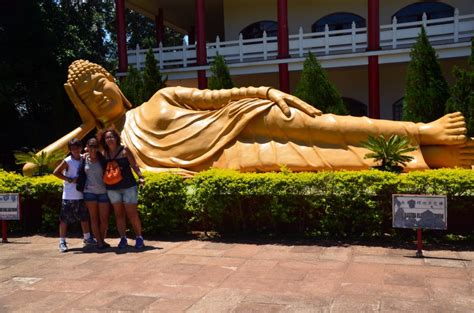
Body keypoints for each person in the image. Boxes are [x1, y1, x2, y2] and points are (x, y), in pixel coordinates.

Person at [23, 59, 474, 177]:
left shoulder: (160, 98)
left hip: (239, 118)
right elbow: (35, 167)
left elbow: (221, 94)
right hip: (224, 156)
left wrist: (268, 91)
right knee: (333, 158)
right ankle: (430, 158)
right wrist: (85, 123)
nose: (101, 100)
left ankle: (423, 130)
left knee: (324, 126)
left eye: (101, 87)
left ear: (114, 82)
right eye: (88, 99)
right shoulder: (111, 145)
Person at [99, 128, 145, 249]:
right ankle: (123, 238)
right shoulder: (104, 153)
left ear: (116, 138)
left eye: (111, 137)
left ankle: (139, 237)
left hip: (128, 186)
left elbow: (134, 164)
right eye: (107, 137)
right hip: (112, 188)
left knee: (132, 214)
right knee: (118, 214)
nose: (109, 139)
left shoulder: (124, 150)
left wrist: (140, 177)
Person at [53, 138, 96, 253]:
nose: (75, 150)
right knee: (64, 220)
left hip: (81, 194)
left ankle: (87, 238)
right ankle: (62, 241)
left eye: (77, 148)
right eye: (73, 149)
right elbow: (56, 172)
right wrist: (69, 179)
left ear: (81, 148)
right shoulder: (67, 161)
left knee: (84, 217)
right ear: (70, 150)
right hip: (69, 195)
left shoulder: (83, 158)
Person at [82, 138, 110, 250]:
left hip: (103, 191)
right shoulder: (83, 159)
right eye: (91, 146)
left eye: (95, 146)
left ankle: (101, 240)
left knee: (104, 219)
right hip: (89, 192)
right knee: (93, 218)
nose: (93, 149)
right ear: (87, 147)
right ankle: (99, 242)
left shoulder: (103, 159)